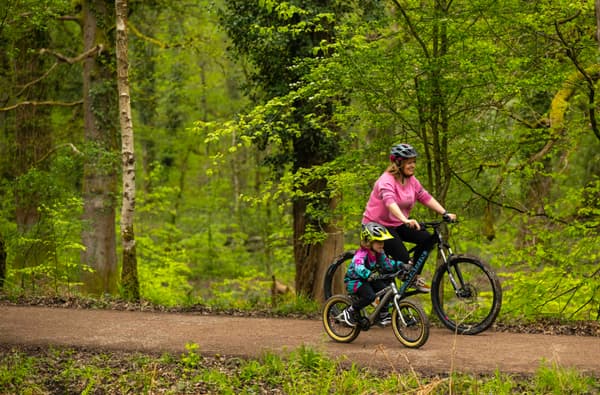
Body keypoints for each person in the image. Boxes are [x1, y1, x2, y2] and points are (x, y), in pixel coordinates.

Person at [362, 143, 457, 293]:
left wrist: (444, 212)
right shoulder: (386, 180)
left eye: (414, 162)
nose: (413, 165)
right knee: (403, 258)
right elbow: (389, 203)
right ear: (398, 163)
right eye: (409, 162)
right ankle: (402, 275)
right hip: (377, 225)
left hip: (397, 223)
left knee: (427, 238)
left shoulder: (411, 180)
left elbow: (424, 196)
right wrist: (405, 220)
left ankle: (413, 275)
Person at [341, 222, 406, 327]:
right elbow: (358, 266)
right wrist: (368, 274)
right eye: (378, 242)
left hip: (368, 279)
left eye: (382, 242)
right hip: (355, 281)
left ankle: (383, 314)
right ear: (369, 242)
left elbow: (387, 264)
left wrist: (400, 265)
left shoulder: (379, 253)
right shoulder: (361, 253)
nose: (381, 244)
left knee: (385, 289)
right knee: (370, 296)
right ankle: (350, 310)